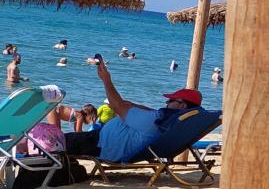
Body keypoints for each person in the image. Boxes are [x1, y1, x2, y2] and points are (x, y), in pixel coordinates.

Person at [62, 60, 202, 162]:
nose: (167, 103)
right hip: (105, 144)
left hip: (100, 144)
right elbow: (152, 112)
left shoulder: (154, 120)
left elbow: (116, 106)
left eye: (170, 101)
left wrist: (106, 80)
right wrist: (134, 105)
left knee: (57, 141)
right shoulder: (171, 122)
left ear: (182, 106)